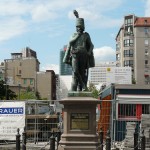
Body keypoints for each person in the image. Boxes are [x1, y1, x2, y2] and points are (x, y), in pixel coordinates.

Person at [63, 10, 95, 91]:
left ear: (83, 28)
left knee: (82, 72)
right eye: (77, 27)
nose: (79, 29)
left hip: (84, 55)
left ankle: (81, 87)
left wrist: (89, 52)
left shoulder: (86, 35)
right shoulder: (74, 35)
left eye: (80, 27)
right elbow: (71, 42)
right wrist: (77, 35)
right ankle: (84, 86)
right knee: (75, 71)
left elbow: (91, 45)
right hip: (75, 55)